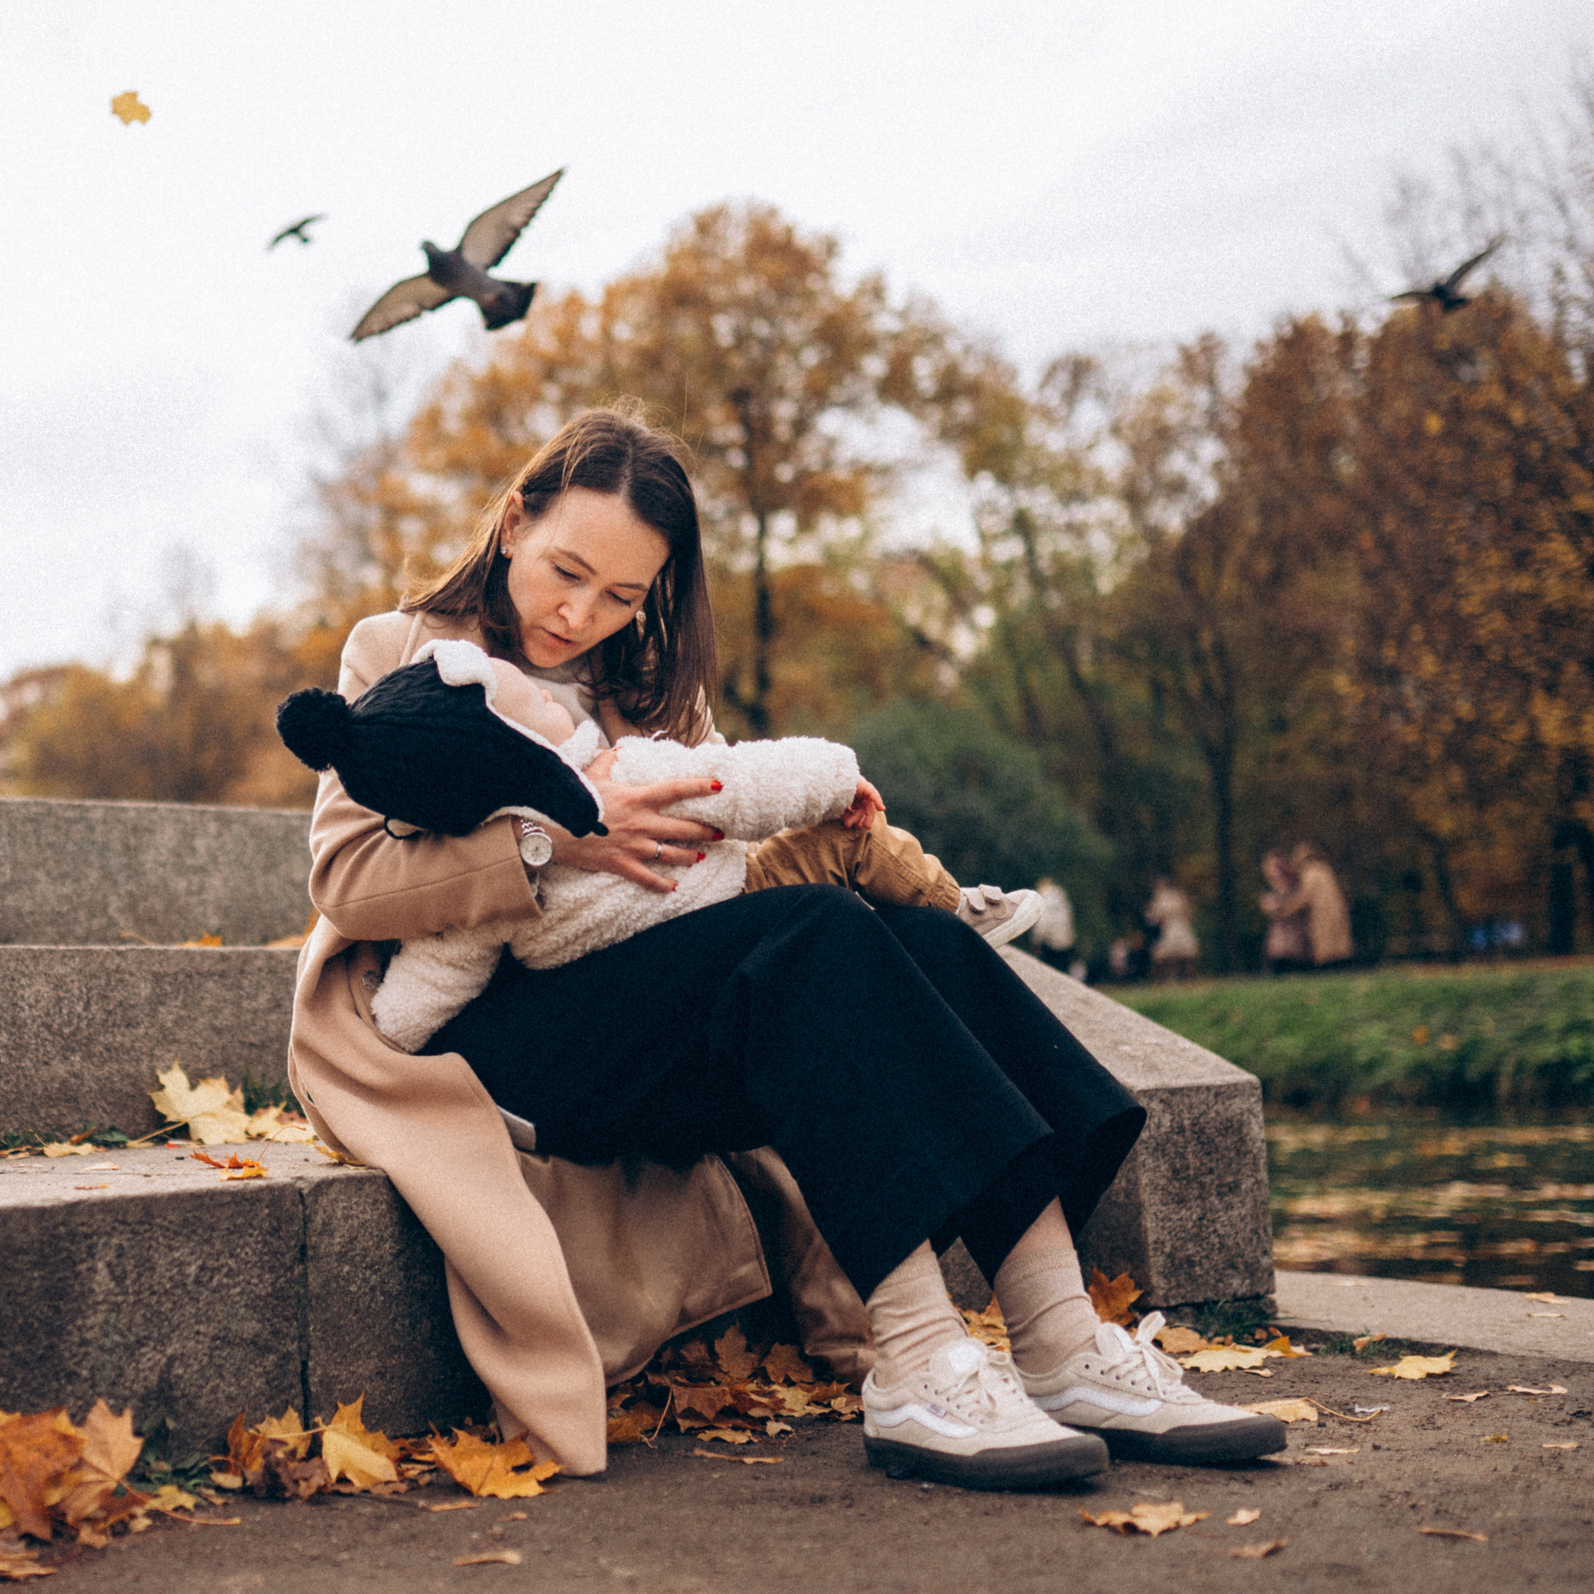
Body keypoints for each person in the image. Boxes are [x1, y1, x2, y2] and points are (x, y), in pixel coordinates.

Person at [284, 405, 1281, 1492]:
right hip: (499, 1029)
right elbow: (348, 882)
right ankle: (914, 1363)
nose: (582, 614)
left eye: (622, 595)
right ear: (514, 521)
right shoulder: (401, 651)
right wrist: (554, 829)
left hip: (666, 1006)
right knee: (812, 941)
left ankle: (1060, 1339)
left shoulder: (654, 683)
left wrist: (826, 825)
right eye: (566, 571)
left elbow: (719, 861)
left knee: (917, 938)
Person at [274, 637, 1044, 1052]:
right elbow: (741, 782)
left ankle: (938, 915)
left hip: (650, 969)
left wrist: (387, 1026)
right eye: (535, 701)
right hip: (738, 897)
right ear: (513, 744)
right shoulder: (625, 771)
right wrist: (840, 778)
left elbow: (439, 973)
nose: (549, 694)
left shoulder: (490, 889)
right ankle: (956, 904)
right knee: (854, 842)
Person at [1282, 841, 1353, 968]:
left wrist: (1287, 909)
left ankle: (1329, 969)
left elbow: (1305, 896)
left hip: (1323, 914)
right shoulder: (1324, 868)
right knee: (1337, 945)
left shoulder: (1310, 871)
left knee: (1327, 947)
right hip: (1336, 912)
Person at [1259, 850, 1311, 974]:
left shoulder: (1293, 886)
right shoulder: (1271, 891)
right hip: (1279, 944)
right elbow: (1270, 908)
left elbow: (1294, 906)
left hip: (1294, 943)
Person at [1143, 877, 1198, 983]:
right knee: (1173, 957)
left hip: (1177, 926)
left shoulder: (1170, 897)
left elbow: (1156, 917)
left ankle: (1182, 980)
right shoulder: (1172, 897)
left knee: (1179, 956)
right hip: (1173, 927)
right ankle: (1177, 980)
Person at [1030, 877, 1079, 976]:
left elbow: (1043, 923)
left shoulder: (1044, 899)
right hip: (1066, 942)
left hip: (1050, 943)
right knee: (1063, 972)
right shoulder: (1062, 898)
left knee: (1049, 972)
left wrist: (1036, 940)